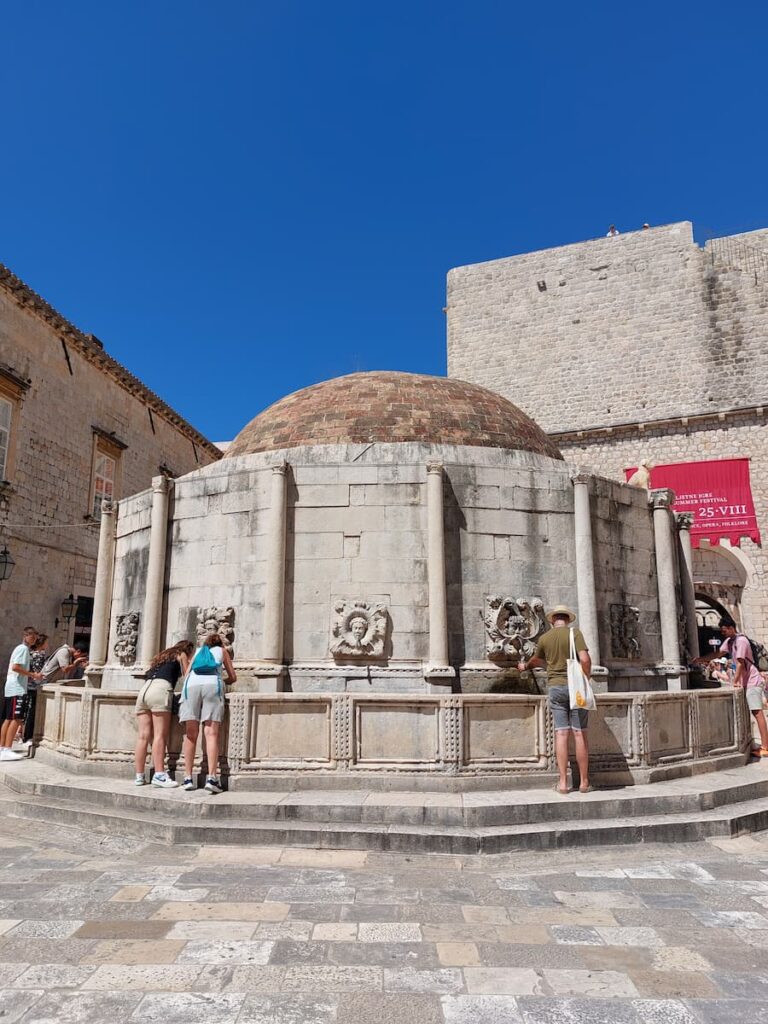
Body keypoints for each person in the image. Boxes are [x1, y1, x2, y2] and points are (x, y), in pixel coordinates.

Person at [518, 605, 592, 794]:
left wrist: (525, 665)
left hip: (556, 687)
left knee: (561, 734)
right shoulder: (575, 634)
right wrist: (586, 677)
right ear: (568, 619)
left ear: (552, 620)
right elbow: (584, 659)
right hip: (576, 689)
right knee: (579, 733)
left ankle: (562, 783)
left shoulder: (545, 638)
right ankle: (583, 783)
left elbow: (536, 659)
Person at [698, 618, 768, 756]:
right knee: (752, 712)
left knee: (757, 712)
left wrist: (735, 681)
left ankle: (765, 746)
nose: (723, 634)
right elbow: (718, 653)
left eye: (724, 631)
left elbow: (741, 662)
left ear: (731, 628)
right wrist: (701, 659)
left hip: (752, 681)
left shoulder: (741, 641)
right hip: (746, 681)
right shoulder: (730, 641)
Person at [179, 633, 236, 794]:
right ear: (220, 644)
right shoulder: (222, 651)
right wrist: (222, 681)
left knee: (190, 735)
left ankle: (188, 778)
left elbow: (187, 673)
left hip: (191, 687)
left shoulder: (197, 651)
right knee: (211, 733)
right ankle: (212, 778)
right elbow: (233, 676)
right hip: (212, 685)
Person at [134, 640, 194, 788]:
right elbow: (188, 675)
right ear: (188, 649)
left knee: (143, 736)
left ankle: (139, 776)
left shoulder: (162, 656)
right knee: (160, 735)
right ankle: (159, 774)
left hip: (144, 691)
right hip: (160, 690)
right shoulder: (182, 654)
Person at [1, 627, 43, 761]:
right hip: (17, 688)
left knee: (8, 718)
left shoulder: (19, 648)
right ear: (26, 636)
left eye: (36, 638)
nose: (34, 640)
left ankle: (3, 748)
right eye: (33, 637)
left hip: (11, 687)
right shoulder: (23, 649)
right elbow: (16, 667)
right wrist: (33, 675)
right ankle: (7, 749)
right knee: (17, 718)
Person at [16, 633, 49, 749]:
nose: (47, 645)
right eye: (46, 642)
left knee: (25, 711)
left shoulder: (30, 653)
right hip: (34, 686)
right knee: (31, 712)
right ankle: (28, 737)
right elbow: (38, 671)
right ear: (42, 643)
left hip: (27, 685)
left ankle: (20, 734)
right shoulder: (39, 655)